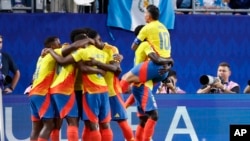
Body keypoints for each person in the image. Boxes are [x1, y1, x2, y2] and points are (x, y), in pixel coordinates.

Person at [45, 29, 113, 141]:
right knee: (79, 122)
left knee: (84, 122)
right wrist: (100, 70)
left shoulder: (72, 51)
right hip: (72, 89)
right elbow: (82, 67)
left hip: (78, 90)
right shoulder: (77, 51)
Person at [120, 4, 174, 94]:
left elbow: (133, 47)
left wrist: (143, 41)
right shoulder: (165, 28)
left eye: (145, 13)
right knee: (138, 90)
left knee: (126, 78)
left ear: (149, 15)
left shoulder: (147, 28)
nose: (144, 15)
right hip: (165, 69)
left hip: (154, 65)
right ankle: (133, 107)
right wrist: (169, 63)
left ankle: (115, 102)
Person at [29, 36, 61, 141]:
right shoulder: (53, 54)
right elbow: (69, 48)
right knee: (50, 124)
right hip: (42, 93)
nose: (60, 45)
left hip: (33, 93)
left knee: (36, 128)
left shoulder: (41, 57)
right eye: (58, 43)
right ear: (52, 46)